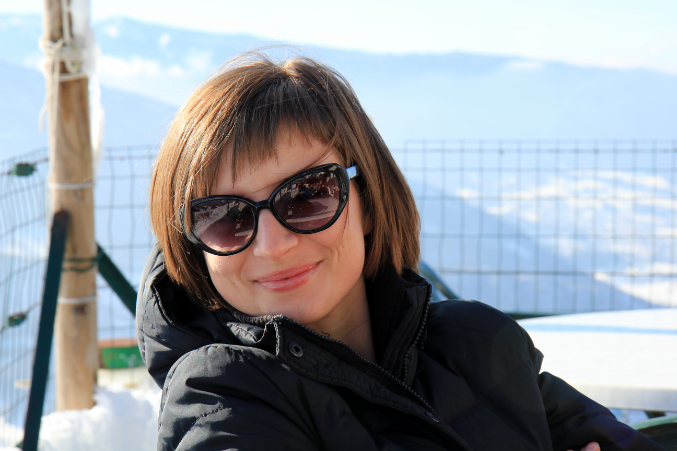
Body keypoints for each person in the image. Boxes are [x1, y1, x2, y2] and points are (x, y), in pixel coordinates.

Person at [136, 51, 665, 451]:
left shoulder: (480, 345)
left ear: (368, 200)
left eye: (307, 194)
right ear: (196, 246)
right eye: (226, 217)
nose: (273, 245)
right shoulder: (218, 396)